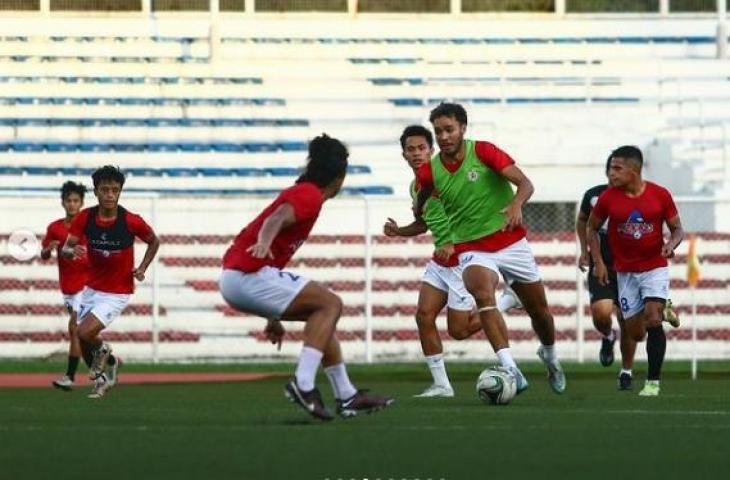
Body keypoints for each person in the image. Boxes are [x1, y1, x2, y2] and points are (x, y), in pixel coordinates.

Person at [219, 134, 394, 421]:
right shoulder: (310, 195)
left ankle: (347, 395)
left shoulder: (306, 192)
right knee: (331, 304)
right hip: (246, 274)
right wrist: (264, 240)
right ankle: (303, 384)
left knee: (322, 319)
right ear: (339, 177)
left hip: (241, 277)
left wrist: (272, 317)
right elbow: (276, 219)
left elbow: (274, 248)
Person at [414, 103, 566, 394]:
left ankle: (549, 355)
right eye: (439, 131)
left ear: (462, 129)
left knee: (541, 313)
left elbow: (525, 183)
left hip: (511, 242)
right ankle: (510, 367)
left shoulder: (483, 152)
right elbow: (422, 195)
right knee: (482, 292)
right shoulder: (430, 171)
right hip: (471, 247)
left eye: (449, 129)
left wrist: (515, 204)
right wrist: (416, 213)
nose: (444, 136)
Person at [383, 125, 521, 398]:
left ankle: (507, 300)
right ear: (404, 155)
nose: (417, 153)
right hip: (440, 259)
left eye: (422, 148)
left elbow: (462, 213)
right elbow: (424, 224)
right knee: (423, 316)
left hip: (460, 258)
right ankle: (442, 385)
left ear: (431, 150)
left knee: (458, 331)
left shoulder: (443, 178)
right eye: (411, 149)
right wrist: (400, 231)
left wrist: (452, 241)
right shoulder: (416, 185)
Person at [587, 145, 684, 397]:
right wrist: (597, 261)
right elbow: (591, 229)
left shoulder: (660, 195)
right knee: (636, 333)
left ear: (635, 170)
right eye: (610, 168)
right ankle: (664, 308)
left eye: (617, 168)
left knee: (652, 319)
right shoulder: (608, 198)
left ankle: (652, 383)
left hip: (654, 267)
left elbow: (677, 229)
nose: (611, 173)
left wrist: (670, 245)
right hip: (625, 272)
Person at [62, 165, 160, 399]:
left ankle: (102, 362)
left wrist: (143, 268)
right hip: (92, 287)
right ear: (96, 192)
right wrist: (69, 251)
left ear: (119, 192)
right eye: (104, 189)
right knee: (81, 336)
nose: (109, 195)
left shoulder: (131, 221)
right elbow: (67, 247)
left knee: (84, 333)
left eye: (114, 190)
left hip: (117, 290)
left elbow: (154, 241)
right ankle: (107, 367)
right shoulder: (85, 217)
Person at [41, 181, 90, 390]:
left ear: (81, 203)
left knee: (74, 328)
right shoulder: (54, 228)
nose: (72, 204)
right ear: (63, 203)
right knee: (84, 334)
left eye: (75, 201)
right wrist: (49, 249)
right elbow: (43, 255)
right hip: (68, 287)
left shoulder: (88, 226)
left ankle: (70, 377)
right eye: (68, 200)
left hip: (88, 284)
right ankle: (107, 362)